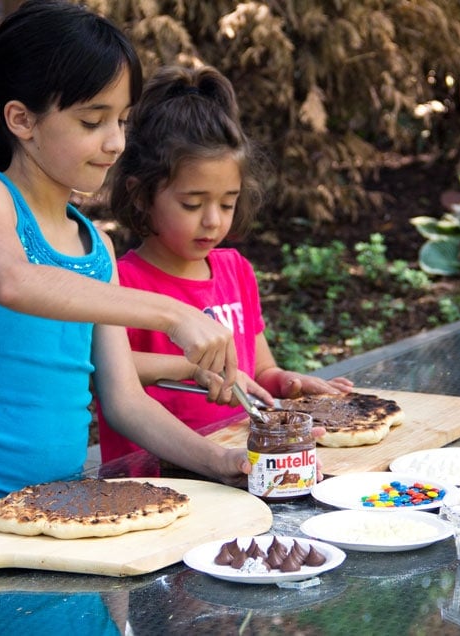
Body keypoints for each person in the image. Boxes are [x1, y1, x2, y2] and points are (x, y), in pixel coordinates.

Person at [0, 1, 250, 532]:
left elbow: (124, 400)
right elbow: (15, 282)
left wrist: (221, 462)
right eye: (93, 121)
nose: (116, 142)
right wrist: (172, 313)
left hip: (60, 509)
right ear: (22, 119)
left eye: (123, 120)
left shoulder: (95, 245)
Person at [97, 65, 353, 462]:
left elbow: (259, 369)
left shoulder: (236, 271)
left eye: (227, 203)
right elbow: (107, 371)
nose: (213, 220)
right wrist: (188, 367)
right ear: (142, 195)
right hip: (152, 475)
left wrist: (286, 382)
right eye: (192, 204)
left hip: (234, 463)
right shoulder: (122, 283)